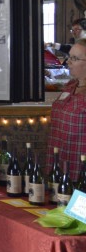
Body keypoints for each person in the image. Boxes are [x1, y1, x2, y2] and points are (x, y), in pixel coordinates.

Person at [47, 37, 86, 183]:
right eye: (69, 57)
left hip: (80, 171)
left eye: (74, 58)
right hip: (60, 162)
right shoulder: (71, 85)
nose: (68, 62)